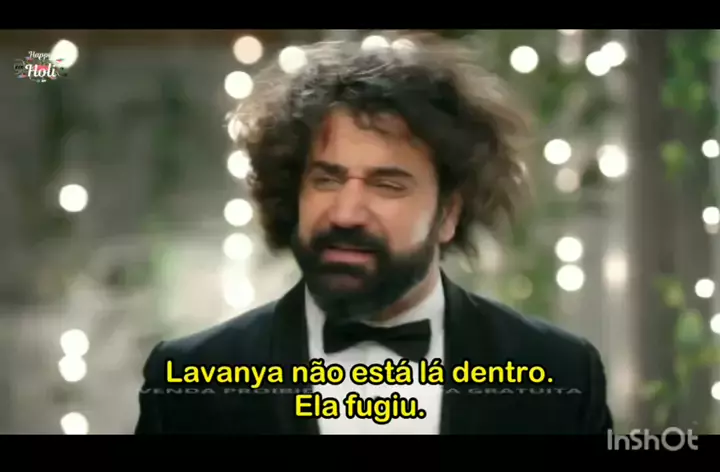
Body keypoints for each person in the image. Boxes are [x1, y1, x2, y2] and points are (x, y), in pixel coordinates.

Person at [135, 35, 613, 435]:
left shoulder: (560, 376)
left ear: (448, 213)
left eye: (387, 184)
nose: (346, 213)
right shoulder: (190, 383)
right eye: (327, 179)